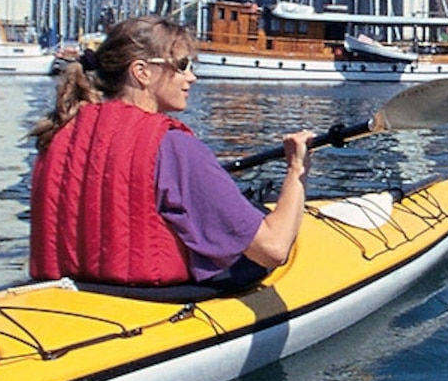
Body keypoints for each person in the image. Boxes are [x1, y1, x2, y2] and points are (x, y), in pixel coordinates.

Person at [29, 15, 318, 287]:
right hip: (150, 301)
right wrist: (296, 169)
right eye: (182, 65)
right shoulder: (173, 145)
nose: (191, 77)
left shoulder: (57, 134)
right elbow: (273, 249)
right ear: (141, 72)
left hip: (71, 290)